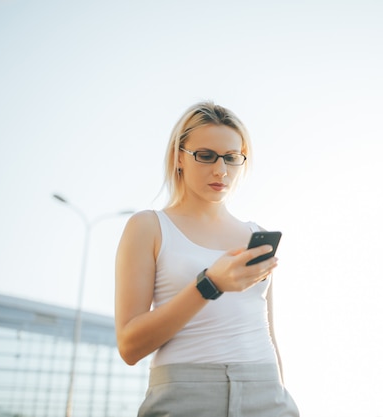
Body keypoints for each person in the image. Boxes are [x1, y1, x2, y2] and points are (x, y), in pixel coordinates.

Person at [115, 101, 300, 417]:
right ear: (179, 158)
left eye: (231, 158)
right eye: (205, 156)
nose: (220, 170)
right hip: (186, 395)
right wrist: (211, 283)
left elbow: (268, 333)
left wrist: (281, 390)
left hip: (266, 392)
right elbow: (130, 346)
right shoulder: (148, 227)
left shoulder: (257, 233)